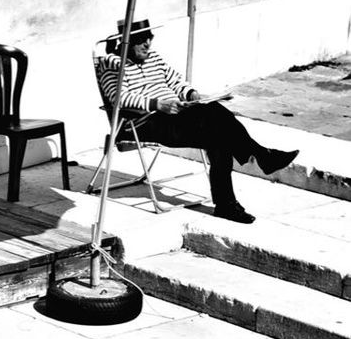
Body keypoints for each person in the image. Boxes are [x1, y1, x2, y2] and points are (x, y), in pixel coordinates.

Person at [97, 19, 297, 224]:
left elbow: (174, 80)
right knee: (216, 122)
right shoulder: (112, 66)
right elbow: (118, 99)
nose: (148, 44)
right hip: (145, 123)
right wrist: (157, 104)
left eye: (149, 38)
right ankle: (262, 158)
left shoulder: (153, 58)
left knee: (217, 133)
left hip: (175, 115)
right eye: (141, 40)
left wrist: (191, 94)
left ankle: (227, 204)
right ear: (126, 42)